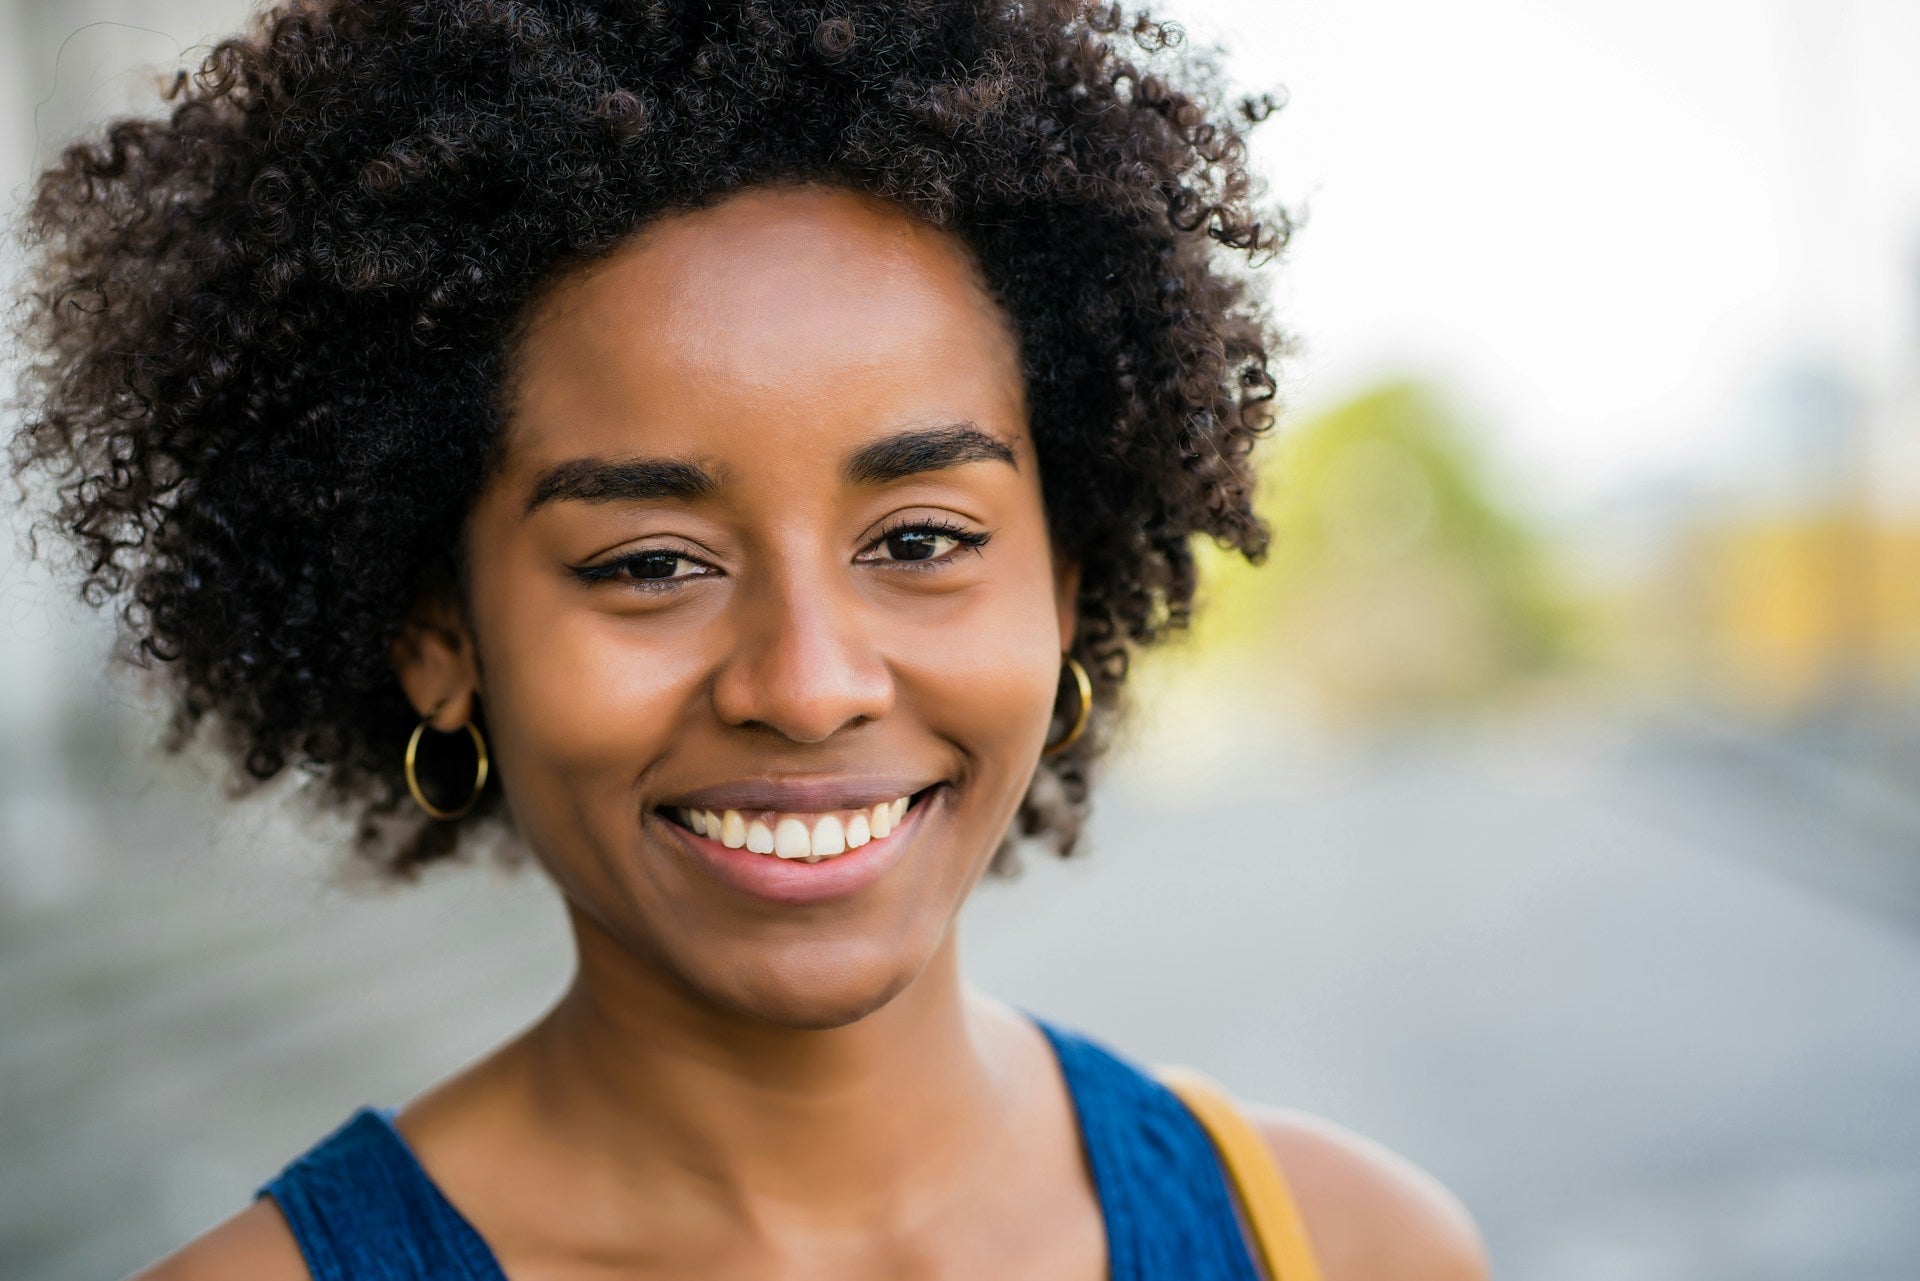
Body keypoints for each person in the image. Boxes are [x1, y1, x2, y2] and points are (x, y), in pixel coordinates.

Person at [8, 1, 1488, 1277]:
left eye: (920, 540)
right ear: (438, 637)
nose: (808, 682)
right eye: (651, 562)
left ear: (1063, 586)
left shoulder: (1344, 1244)